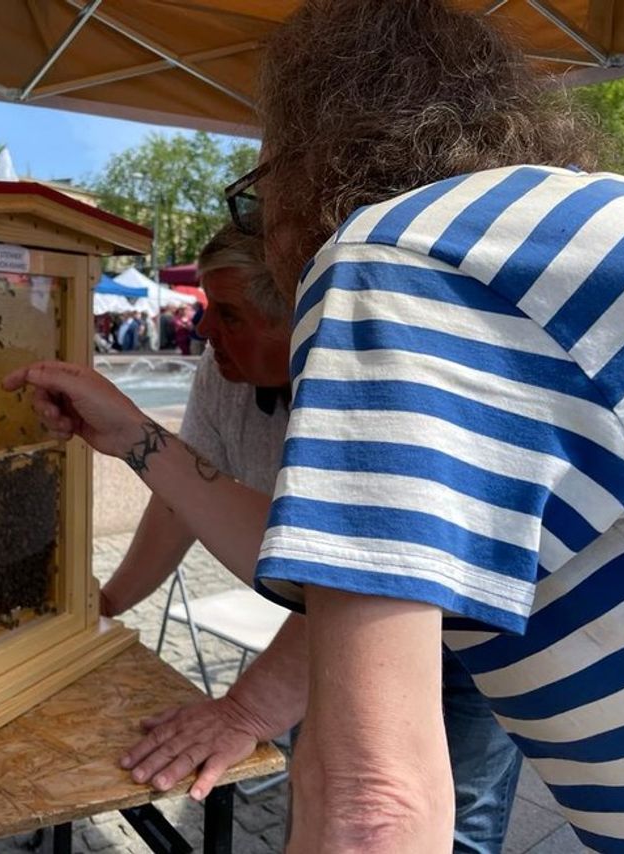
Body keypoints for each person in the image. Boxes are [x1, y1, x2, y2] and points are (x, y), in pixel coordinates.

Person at [6, 2, 624, 850]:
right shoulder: (566, 237)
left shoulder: (391, 260)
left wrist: (247, 711)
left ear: (312, 164)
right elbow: (340, 565)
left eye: (257, 195)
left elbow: (376, 806)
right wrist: (138, 439)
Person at [102, 223, 522, 854]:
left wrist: (246, 710)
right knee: (322, 795)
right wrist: (106, 601)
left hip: (473, 634)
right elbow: (184, 500)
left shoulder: (371, 373)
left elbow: (361, 570)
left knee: (435, 821)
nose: (204, 329)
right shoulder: (226, 373)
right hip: (342, 618)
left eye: (231, 314)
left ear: (302, 319)